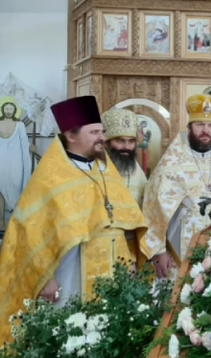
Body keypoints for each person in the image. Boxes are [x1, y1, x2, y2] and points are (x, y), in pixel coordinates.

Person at [0, 96, 148, 343]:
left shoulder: (106, 169)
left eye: (102, 131)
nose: (102, 137)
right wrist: (44, 278)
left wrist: (131, 259)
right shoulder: (50, 176)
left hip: (112, 271)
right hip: (70, 275)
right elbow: (28, 230)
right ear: (71, 135)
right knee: (72, 338)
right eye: (94, 132)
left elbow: (124, 221)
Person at [143, 94, 211, 278]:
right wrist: (158, 251)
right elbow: (153, 209)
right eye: (200, 125)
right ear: (189, 127)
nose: (205, 131)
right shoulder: (171, 164)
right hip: (180, 244)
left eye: (210, 126)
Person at [101, 109, 147, 205]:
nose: (127, 147)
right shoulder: (95, 168)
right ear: (106, 143)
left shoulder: (138, 173)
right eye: (120, 141)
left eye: (131, 141)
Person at [0, 99, 31, 226]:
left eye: (10, 109)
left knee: (16, 184)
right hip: (1, 158)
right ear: (2, 110)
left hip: (16, 159)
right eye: (6, 108)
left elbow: (24, 143)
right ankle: (1, 220)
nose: (8, 111)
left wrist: (29, 149)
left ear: (14, 110)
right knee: (1, 186)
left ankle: (14, 217)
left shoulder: (20, 125)